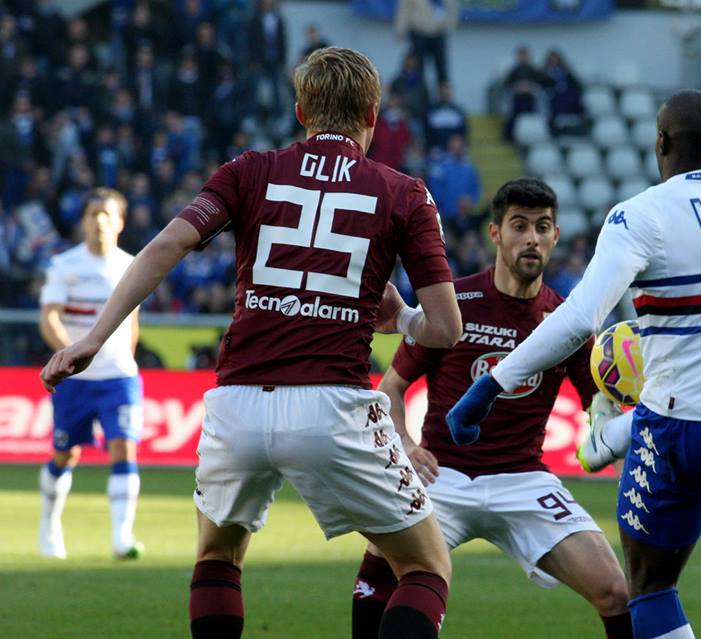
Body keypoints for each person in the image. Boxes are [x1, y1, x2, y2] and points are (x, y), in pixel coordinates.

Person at [41, 47, 462, 639]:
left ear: (298, 111)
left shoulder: (246, 170)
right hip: (332, 406)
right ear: (373, 112)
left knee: (217, 558)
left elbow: (163, 247)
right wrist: (404, 320)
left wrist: (93, 337)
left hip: (236, 404)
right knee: (424, 564)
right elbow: (445, 330)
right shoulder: (405, 193)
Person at [447, 67, 701, 638]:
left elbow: (579, 319)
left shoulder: (640, 216)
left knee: (650, 588)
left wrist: (491, 385)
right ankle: (612, 436)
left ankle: (611, 435)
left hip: (685, 426)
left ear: (658, 143)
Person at [351, 178, 632, 639]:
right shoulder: (455, 303)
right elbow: (392, 388)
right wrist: (403, 444)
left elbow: (596, 400)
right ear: (495, 233)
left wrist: (608, 424)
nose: (532, 239)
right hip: (443, 474)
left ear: (555, 236)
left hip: (524, 479)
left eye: (542, 228)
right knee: (379, 568)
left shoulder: (567, 320)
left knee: (616, 592)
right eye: (519, 226)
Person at [38, 187, 144, 560]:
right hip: (76, 380)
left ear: (120, 222)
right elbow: (49, 316)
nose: (99, 220)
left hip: (119, 377)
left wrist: (124, 360)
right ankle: (49, 526)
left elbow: (132, 322)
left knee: (124, 445)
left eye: (106, 214)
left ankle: (122, 537)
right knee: (66, 454)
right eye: (92, 213)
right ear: (83, 221)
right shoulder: (64, 266)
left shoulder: (132, 265)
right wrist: (68, 355)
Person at [394, 0, 458, 87]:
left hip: (439, 31)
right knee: (417, 68)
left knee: (442, 69)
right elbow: (405, 7)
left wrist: (449, 24)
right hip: (418, 30)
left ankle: (444, 98)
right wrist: (401, 28)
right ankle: (419, 96)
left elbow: (452, 6)